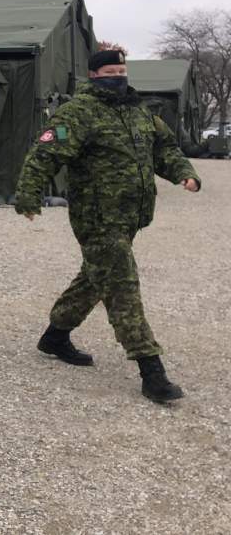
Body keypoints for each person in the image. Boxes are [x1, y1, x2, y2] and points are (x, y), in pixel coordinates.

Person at [14, 47, 201, 403]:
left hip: (131, 216)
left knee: (95, 278)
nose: (117, 76)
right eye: (109, 71)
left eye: (121, 69)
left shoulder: (139, 112)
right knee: (122, 284)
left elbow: (165, 150)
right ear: (94, 75)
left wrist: (184, 175)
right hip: (97, 218)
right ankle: (151, 371)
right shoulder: (78, 113)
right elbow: (45, 154)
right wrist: (28, 195)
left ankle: (55, 336)